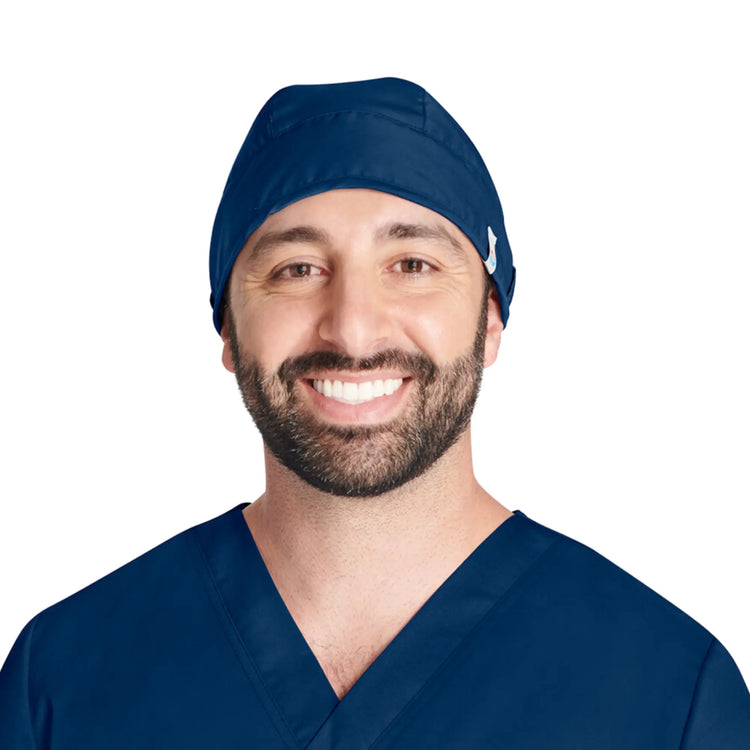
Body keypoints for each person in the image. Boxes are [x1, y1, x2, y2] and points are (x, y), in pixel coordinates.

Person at [1, 76, 748, 749]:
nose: (353, 330)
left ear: (491, 318)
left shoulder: (668, 695)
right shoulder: (62, 683)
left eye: (412, 265)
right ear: (228, 328)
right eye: (297, 269)